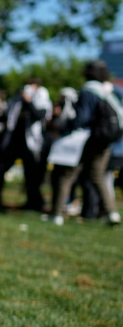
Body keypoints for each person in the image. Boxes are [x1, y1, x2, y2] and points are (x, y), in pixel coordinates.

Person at [48, 61, 122, 227]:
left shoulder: (89, 90)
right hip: (107, 138)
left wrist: (66, 129)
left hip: (89, 138)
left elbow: (82, 117)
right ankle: (111, 212)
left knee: (67, 174)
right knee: (97, 175)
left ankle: (57, 213)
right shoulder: (107, 91)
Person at [0, 78, 51, 213]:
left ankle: (34, 203)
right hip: (13, 141)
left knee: (32, 175)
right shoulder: (16, 100)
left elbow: (39, 116)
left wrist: (28, 101)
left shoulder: (41, 99)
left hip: (31, 144)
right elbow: (4, 117)